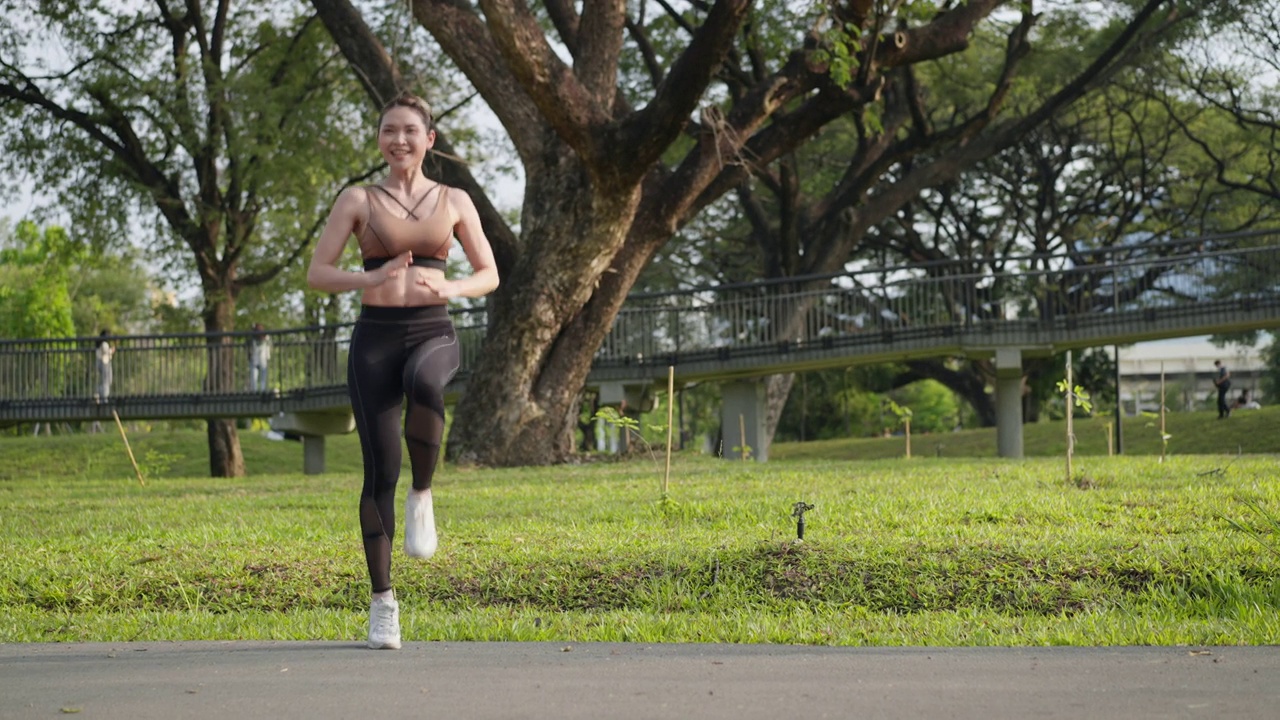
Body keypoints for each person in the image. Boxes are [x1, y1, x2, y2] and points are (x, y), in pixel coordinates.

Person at [306, 92, 499, 650]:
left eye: (411, 130)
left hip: (434, 330)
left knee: (426, 382)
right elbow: (319, 272)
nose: (400, 140)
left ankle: (424, 492)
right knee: (377, 472)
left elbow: (487, 273)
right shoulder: (358, 199)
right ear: (379, 139)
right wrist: (371, 278)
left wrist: (454, 286)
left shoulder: (455, 200)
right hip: (375, 339)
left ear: (429, 139)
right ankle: (383, 604)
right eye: (390, 130)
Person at [248, 323, 272, 393]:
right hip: (254, 359)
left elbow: (269, 346)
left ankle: (262, 392)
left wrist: (268, 357)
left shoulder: (266, 338)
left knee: (262, 378)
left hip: (263, 359)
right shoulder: (252, 339)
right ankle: (255, 393)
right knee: (254, 378)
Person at [95, 330, 115, 402]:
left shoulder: (99, 343)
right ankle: (104, 398)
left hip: (100, 363)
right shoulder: (104, 344)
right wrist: (111, 351)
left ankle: (99, 395)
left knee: (103, 381)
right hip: (105, 363)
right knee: (107, 381)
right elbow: (105, 352)